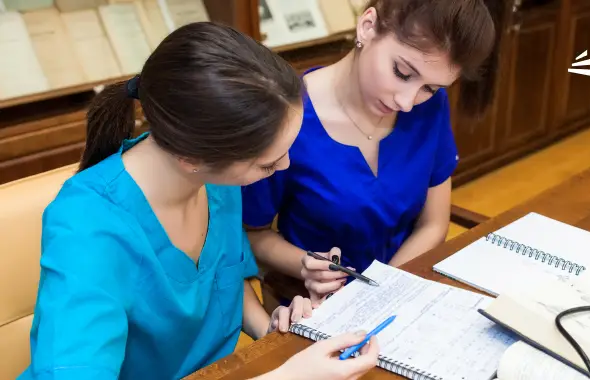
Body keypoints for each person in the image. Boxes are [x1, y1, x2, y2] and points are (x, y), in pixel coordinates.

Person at [19, 22, 378, 380]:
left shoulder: (214, 178)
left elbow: (226, 283)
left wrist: (273, 327)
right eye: (267, 164)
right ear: (191, 158)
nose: (284, 167)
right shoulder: (87, 226)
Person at [242, 0, 499, 303]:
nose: (407, 101)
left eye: (430, 88)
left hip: (400, 293)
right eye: (402, 72)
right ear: (367, 27)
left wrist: (383, 289)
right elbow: (252, 234)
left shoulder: (430, 108)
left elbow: (433, 224)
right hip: (309, 304)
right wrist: (305, 265)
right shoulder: (287, 118)